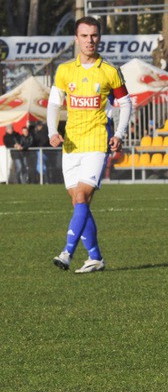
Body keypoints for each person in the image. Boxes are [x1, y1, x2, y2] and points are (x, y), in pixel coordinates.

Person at [47, 16, 132, 274]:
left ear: (99, 37)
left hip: (96, 141)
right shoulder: (64, 71)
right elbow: (53, 103)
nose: (90, 40)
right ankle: (95, 257)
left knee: (82, 196)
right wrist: (53, 131)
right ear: (76, 39)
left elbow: (126, 103)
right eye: (84, 36)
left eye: (94, 35)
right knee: (78, 203)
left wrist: (119, 133)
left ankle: (67, 252)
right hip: (71, 143)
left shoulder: (109, 70)